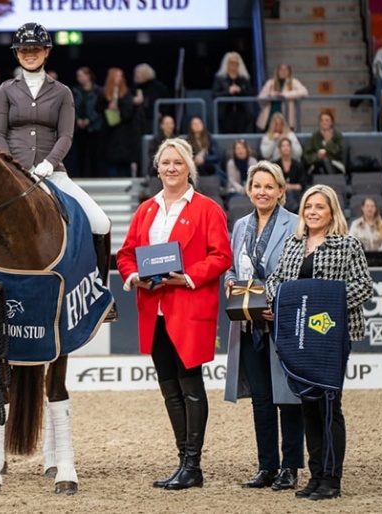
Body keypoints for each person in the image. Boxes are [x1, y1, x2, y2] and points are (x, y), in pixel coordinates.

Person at [0, 22, 115, 318]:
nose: (30, 54)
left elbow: (66, 135)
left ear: (46, 52)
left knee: (100, 223)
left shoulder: (62, 92)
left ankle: (99, 296)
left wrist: (48, 163)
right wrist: (11, 168)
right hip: (11, 174)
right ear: (17, 54)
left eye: (35, 49)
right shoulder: (5, 90)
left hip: (52, 172)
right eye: (24, 49)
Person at [117, 138, 232, 490]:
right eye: (165, 162)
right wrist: (135, 277)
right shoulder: (146, 210)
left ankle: (193, 464)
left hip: (188, 306)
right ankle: (184, 461)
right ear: (157, 167)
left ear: (188, 168)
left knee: (190, 384)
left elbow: (221, 255)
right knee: (169, 388)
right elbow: (125, 255)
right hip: (155, 309)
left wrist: (189, 276)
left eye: (177, 163)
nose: (170, 168)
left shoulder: (207, 208)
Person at [265, 184, 373, 500]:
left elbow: (363, 287)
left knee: (329, 407)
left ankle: (331, 479)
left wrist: (329, 304)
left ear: (331, 212)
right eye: (308, 206)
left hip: (331, 337)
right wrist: (275, 300)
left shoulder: (348, 244)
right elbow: (275, 281)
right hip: (299, 337)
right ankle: (315, 476)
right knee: (308, 406)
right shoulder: (294, 244)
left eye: (320, 207)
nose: (312, 211)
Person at [224, 161, 304, 491]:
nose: (262, 191)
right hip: (248, 324)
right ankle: (267, 466)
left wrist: (277, 303)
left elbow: (300, 271)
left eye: (269, 186)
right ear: (248, 190)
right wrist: (229, 282)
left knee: (287, 398)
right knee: (261, 398)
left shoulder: (294, 224)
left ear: (281, 191)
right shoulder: (241, 225)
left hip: (280, 322)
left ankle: (291, 467)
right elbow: (231, 267)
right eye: (257, 185)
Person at [97, 67, 139, 177]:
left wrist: (118, 110)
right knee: (111, 160)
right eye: (116, 76)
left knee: (124, 161)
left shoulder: (126, 93)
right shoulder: (103, 93)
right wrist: (108, 108)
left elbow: (129, 111)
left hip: (124, 131)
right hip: (109, 131)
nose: (118, 79)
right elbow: (98, 108)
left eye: (120, 76)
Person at [69, 66, 103, 177]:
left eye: (81, 75)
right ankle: (81, 176)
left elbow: (99, 109)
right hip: (79, 128)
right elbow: (72, 107)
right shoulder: (75, 91)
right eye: (78, 76)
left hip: (94, 127)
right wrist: (77, 119)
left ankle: (96, 176)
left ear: (88, 76)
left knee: (94, 154)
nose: (79, 78)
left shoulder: (98, 91)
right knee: (80, 155)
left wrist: (90, 120)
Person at [256, 64, 308, 132]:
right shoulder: (270, 83)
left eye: (285, 69)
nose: (283, 71)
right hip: (269, 119)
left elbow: (304, 92)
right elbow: (260, 98)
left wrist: (285, 95)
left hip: (286, 119)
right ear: (277, 71)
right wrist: (270, 95)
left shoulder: (293, 82)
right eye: (281, 69)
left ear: (289, 72)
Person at [212, 52, 254, 134]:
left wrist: (240, 90)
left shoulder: (244, 78)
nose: (234, 65)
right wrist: (228, 92)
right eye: (231, 63)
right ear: (226, 64)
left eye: (236, 63)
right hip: (225, 113)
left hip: (242, 112)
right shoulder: (220, 78)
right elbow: (214, 94)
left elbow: (250, 92)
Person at [132, 63, 171, 137]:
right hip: (139, 120)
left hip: (154, 119)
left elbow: (167, 101)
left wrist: (162, 113)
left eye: (139, 74)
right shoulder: (135, 88)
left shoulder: (158, 87)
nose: (136, 76)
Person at [302, 111, 345, 175]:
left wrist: (329, 142)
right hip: (317, 164)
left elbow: (340, 153)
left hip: (335, 165)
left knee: (325, 161)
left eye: (327, 120)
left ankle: (331, 181)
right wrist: (317, 156)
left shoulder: (337, 136)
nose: (324, 122)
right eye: (322, 120)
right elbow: (306, 156)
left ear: (332, 122)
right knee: (320, 164)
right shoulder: (315, 136)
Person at [186, 116, 225, 186]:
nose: (197, 125)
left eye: (199, 123)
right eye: (194, 124)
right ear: (190, 127)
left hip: (210, 168)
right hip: (195, 168)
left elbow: (217, 155)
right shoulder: (188, 141)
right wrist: (195, 159)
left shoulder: (209, 139)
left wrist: (205, 159)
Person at [275, 138, 307, 213]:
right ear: (279, 149)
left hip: (296, 195)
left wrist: (288, 186)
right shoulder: (275, 166)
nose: (286, 148)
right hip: (280, 195)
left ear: (291, 148)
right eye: (283, 146)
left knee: (290, 193)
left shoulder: (298, 165)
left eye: (287, 145)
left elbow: (302, 185)